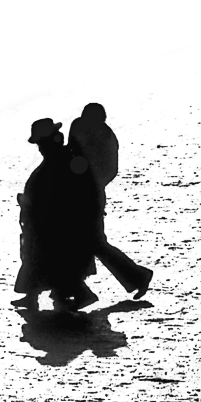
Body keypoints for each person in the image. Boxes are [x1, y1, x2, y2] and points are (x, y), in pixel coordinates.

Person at [13, 117, 102, 312]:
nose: (39, 148)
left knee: (52, 263)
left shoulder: (63, 161)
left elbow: (68, 193)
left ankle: (79, 295)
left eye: (40, 143)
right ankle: (33, 295)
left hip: (57, 225)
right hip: (49, 223)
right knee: (40, 259)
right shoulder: (58, 160)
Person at [69, 103, 153, 300]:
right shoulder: (86, 129)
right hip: (85, 192)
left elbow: (107, 170)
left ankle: (136, 275)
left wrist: (92, 188)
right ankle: (75, 286)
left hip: (90, 194)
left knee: (93, 241)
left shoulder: (103, 136)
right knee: (89, 240)